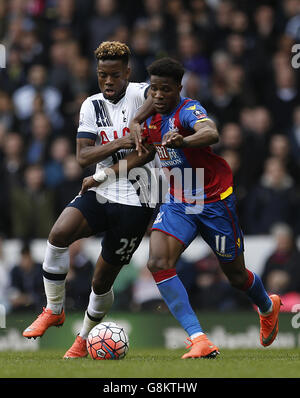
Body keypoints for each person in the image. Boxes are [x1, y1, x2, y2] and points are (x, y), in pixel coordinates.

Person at [125, 57, 281, 358]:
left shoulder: (188, 110)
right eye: (154, 89)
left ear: (179, 89)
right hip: (179, 200)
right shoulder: (152, 104)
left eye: (165, 90)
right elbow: (146, 105)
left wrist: (184, 141)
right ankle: (199, 338)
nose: (158, 95)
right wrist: (133, 123)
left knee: (236, 276)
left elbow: (211, 132)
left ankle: (266, 305)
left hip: (214, 201)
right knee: (157, 262)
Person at [22, 41, 157, 359]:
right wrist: (122, 141)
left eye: (114, 75)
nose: (108, 82)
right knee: (58, 235)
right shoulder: (91, 105)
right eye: (101, 75)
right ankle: (54, 309)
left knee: (101, 280)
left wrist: (106, 169)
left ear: (127, 72)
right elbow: (83, 156)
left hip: (138, 201)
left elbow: (146, 151)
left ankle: (82, 339)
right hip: (102, 191)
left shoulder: (143, 94)